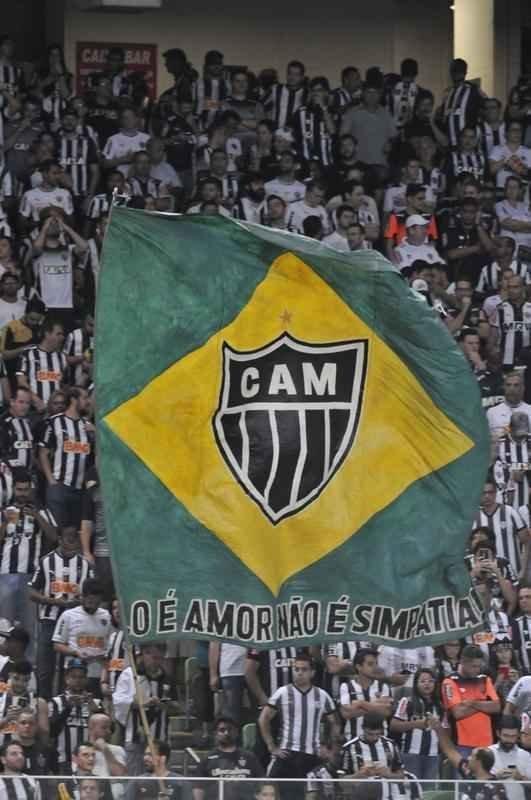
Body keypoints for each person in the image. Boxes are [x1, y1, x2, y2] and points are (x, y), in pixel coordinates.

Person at [29, 526, 94, 699]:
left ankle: (64, 703)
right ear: (59, 538)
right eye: (68, 536)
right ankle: (44, 704)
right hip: (49, 619)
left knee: (69, 668)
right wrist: (56, 602)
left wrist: (81, 603)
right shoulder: (46, 561)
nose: (72, 540)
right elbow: (32, 592)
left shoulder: (85, 565)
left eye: (75, 537)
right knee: (45, 667)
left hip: (74, 623)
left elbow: (93, 594)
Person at [258, 653, 339, 788]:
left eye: (304, 669)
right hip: (286, 753)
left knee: (310, 794)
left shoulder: (322, 695)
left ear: (312, 673)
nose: (299, 673)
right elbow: (263, 719)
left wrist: (329, 747)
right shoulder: (282, 693)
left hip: (312, 754)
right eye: (296, 669)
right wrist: (271, 746)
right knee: (269, 789)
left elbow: (335, 722)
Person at [0, 468, 57, 632]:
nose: (22, 494)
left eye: (25, 490)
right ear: (14, 489)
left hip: (31, 575)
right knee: (4, 622)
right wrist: (5, 522)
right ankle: (3, 658)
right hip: (6, 574)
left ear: (31, 489)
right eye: (19, 489)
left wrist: (37, 515)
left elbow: (54, 537)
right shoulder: (4, 512)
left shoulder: (42, 510)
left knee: (29, 624)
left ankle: (29, 658)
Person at [113, 643, 178, 775]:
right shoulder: (130, 675)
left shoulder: (166, 678)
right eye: (149, 654)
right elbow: (118, 701)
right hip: (135, 738)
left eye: (158, 656)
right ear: (142, 655)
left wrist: (163, 705)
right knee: (135, 779)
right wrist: (140, 702)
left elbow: (176, 707)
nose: (154, 658)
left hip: (159, 740)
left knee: (158, 779)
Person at [39, 386, 92, 528]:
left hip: (80, 490)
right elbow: (43, 452)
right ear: (74, 400)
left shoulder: (88, 427)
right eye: (85, 398)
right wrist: (51, 480)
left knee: (73, 534)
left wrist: (95, 432)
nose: (88, 402)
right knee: (55, 531)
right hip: (59, 486)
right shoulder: (54, 422)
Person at [441, 644, 500, 757]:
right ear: (463, 662)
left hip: (487, 744)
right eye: (474, 666)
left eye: (479, 666)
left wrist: (472, 703)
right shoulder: (450, 682)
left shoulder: (484, 679)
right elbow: (458, 713)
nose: (477, 670)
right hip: (462, 745)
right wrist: (484, 703)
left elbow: (496, 707)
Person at [52, 578, 111, 690]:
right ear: (82, 596)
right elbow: (57, 644)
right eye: (89, 599)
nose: (92, 603)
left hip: (99, 672)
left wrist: (104, 656)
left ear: (100, 600)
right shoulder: (68, 615)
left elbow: (110, 642)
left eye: (95, 601)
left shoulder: (107, 616)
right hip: (75, 672)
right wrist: (75, 652)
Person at [48, 658, 103, 773]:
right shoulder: (56, 702)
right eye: (74, 676)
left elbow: (108, 731)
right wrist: (68, 708)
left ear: (86, 679)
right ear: (66, 679)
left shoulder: (96, 702)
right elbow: (52, 731)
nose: (78, 680)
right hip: (64, 761)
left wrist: (95, 709)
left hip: (91, 761)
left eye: (81, 677)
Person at [193, 715, 264, 800]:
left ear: (236, 732)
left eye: (230, 729)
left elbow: (262, 784)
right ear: (215, 734)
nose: (226, 733)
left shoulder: (249, 757)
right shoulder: (208, 759)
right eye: (222, 730)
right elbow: (198, 787)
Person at [31, 208, 88, 313]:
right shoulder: (39, 251)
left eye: (56, 223)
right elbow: (36, 248)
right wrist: (45, 227)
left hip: (66, 304)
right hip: (43, 305)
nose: (54, 224)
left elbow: (84, 246)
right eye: (50, 223)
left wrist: (65, 227)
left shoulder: (69, 249)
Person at [390, 667, 441, 779]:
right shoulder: (407, 701)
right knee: (413, 790)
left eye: (430, 681)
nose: (427, 684)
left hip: (433, 755)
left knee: (429, 793)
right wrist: (415, 724)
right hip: (411, 754)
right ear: (416, 683)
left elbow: (446, 729)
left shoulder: (440, 705)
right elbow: (394, 725)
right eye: (422, 681)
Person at [340, 78, 397, 177]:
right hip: (358, 166)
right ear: (363, 94)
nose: (372, 96)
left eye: (376, 92)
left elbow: (394, 136)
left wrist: (390, 142)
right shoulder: (352, 112)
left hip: (381, 165)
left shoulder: (386, 113)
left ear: (380, 95)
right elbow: (342, 136)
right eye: (368, 92)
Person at [341, 711, 404, 799]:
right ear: (363, 729)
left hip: (387, 796)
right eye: (370, 734)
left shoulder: (391, 745)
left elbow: (401, 776)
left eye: (378, 734)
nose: (374, 737)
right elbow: (341, 782)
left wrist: (388, 775)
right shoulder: (349, 747)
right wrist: (359, 775)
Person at [474, 479, 526, 578]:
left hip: (513, 573)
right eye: (483, 493)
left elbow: (527, 541)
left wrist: (523, 570)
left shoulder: (510, 512)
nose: (487, 496)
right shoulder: (474, 518)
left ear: (496, 493)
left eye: (490, 492)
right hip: (486, 577)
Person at [339, 648, 392, 741]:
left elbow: (386, 712)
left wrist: (360, 704)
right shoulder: (346, 686)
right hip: (353, 740)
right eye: (370, 664)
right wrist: (376, 705)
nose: (375, 667)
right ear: (359, 667)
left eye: (376, 664)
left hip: (380, 741)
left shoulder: (383, 686)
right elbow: (346, 713)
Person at [16, 316, 67, 413]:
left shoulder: (62, 357)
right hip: (33, 411)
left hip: (56, 413)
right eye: (58, 334)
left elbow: (64, 385)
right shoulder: (28, 354)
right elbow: (21, 381)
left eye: (62, 334)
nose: (62, 337)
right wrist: (36, 400)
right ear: (47, 334)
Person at [440, 58, 483, 147]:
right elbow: (444, 117)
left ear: (465, 72)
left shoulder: (473, 90)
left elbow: (483, 111)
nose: (456, 72)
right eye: (454, 69)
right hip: (449, 143)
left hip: (468, 143)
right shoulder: (447, 92)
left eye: (460, 70)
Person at [491, 274, 531, 369]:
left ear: (523, 288)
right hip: (506, 360)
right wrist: (493, 352)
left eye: (515, 287)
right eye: (509, 287)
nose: (511, 290)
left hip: (528, 361)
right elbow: (493, 336)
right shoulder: (500, 308)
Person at [488, 714, 531, 800]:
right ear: (498, 733)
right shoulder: (488, 752)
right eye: (506, 735)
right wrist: (496, 777)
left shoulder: (525, 756)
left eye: (513, 736)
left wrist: (520, 778)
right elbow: (477, 784)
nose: (509, 740)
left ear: (518, 735)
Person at [496, 413, 531, 510]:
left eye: (523, 433)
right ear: (510, 428)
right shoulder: (500, 443)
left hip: (527, 492)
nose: (521, 437)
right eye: (518, 434)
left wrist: (522, 469)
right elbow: (495, 466)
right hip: (505, 492)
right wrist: (511, 472)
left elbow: (508, 465)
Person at [102, 108, 149, 178]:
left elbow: (155, 160)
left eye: (131, 117)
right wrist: (122, 160)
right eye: (125, 118)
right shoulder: (113, 139)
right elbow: (105, 163)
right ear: (121, 121)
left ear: (136, 119)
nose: (128, 120)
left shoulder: (147, 138)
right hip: (122, 180)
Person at [264, 61, 308, 129]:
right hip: (276, 133)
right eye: (290, 73)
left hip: (297, 135)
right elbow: (260, 106)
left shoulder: (306, 93)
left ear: (302, 77)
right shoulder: (275, 89)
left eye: (296, 74)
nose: (292, 77)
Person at [487, 372, 531, 440]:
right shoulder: (492, 412)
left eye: (516, 385)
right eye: (508, 385)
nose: (512, 388)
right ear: (504, 387)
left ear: (523, 388)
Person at [490, 121, 531, 192]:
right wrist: (506, 160)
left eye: (519, 130)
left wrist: (520, 167)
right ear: (506, 133)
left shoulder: (528, 152)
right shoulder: (497, 149)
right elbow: (491, 170)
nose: (517, 132)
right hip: (502, 189)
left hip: (522, 190)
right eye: (513, 130)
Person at [495, 176, 531, 255]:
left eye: (515, 187)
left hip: (528, 247)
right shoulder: (499, 205)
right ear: (505, 189)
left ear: (519, 190)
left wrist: (516, 225)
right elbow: (507, 224)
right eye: (509, 187)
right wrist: (527, 225)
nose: (511, 190)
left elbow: (513, 225)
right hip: (508, 248)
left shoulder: (525, 206)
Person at [509, 585, 531, 675]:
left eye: (528, 597)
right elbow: (515, 650)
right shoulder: (516, 624)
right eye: (521, 598)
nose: (524, 601)